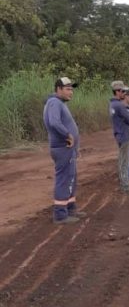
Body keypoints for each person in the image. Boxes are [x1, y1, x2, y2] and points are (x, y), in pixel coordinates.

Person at [43, 77, 85, 224]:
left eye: (72, 89)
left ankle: (70, 208)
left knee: (71, 178)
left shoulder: (59, 103)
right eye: (68, 89)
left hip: (68, 148)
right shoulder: (54, 102)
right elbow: (54, 123)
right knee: (64, 179)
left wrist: (75, 147)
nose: (71, 92)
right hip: (62, 148)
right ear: (58, 89)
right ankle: (60, 215)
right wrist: (67, 135)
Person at [109, 80, 129, 192]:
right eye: (122, 91)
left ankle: (124, 184)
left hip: (120, 134)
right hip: (124, 135)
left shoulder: (113, 104)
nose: (124, 93)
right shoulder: (119, 105)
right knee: (125, 162)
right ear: (117, 91)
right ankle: (125, 186)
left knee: (123, 161)